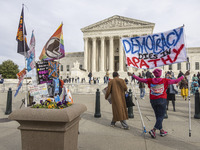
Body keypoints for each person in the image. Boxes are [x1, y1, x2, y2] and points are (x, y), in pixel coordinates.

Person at [128, 69, 190, 138]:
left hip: (153, 100)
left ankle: (161, 130)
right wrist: (184, 75)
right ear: (160, 74)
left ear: (154, 74)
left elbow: (140, 79)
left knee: (158, 116)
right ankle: (153, 130)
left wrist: (132, 75)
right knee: (161, 116)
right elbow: (175, 81)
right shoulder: (165, 80)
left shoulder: (150, 80)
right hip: (162, 99)